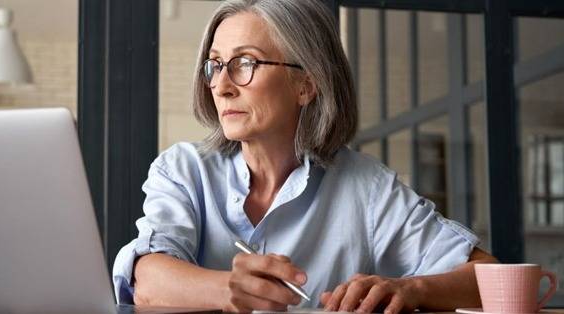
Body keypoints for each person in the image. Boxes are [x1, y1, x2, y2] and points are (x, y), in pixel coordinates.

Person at [112, 0, 498, 312]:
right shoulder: (183, 169)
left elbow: (490, 278)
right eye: (215, 65)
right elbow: (146, 282)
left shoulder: (367, 187)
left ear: (306, 84)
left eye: (245, 63)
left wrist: (410, 289)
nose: (222, 86)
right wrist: (228, 289)